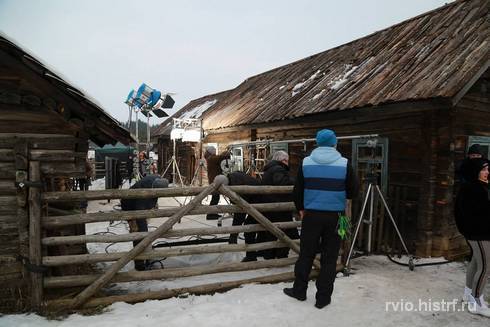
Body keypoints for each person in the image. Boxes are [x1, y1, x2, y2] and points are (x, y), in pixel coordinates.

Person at [283, 129, 358, 309]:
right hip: (338, 216)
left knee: (306, 254)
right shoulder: (344, 163)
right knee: (330, 257)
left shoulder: (306, 162)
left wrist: (301, 209)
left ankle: (299, 291)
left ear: (317, 143)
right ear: (334, 143)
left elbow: (297, 190)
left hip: (311, 215)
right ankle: (323, 298)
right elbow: (354, 191)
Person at [455, 158, 490, 317]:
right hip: (480, 234)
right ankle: (477, 302)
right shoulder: (474, 189)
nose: (487, 172)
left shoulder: (474, 187)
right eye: (483, 169)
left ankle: (468, 294)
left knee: (476, 263)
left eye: (487, 169)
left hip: (475, 233)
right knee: (485, 267)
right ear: (475, 171)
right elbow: (476, 214)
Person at [256, 150, 299, 260]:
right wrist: (295, 182)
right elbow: (282, 183)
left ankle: (271, 255)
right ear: (283, 160)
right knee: (288, 231)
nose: (288, 163)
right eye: (287, 161)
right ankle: (280, 255)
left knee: (275, 231)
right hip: (278, 206)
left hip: (272, 205)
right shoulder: (278, 169)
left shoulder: (271, 169)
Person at [120, 174, 169, 271]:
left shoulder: (156, 181)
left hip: (139, 205)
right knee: (139, 233)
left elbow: (155, 196)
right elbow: (140, 215)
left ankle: (147, 257)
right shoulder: (142, 194)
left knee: (144, 234)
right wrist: (145, 234)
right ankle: (139, 264)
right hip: (130, 207)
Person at [227, 171, 261, 258]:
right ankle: (261, 251)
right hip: (257, 200)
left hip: (261, 201)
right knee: (256, 226)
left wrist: (233, 235)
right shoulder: (233, 178)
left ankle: (252, 256)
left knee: (250, 227)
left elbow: (240, 214)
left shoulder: (238, 186)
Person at [204, 145, 230, 220]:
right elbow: (220, 158)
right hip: (214, 181)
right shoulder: (211, 158)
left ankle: (212, 214)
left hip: (214, 180)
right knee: (215, 198)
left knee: (215, 198)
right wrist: (225, 153)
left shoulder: (210, 158)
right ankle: (210, 214)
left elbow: (220, 158)